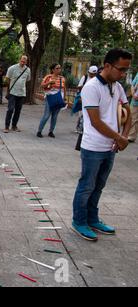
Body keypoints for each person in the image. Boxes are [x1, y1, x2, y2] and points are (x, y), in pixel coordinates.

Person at [71, 48, 132, 242]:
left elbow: (128, 112)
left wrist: (123, 136)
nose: (123, 74)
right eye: (121, 69)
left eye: (126, 71)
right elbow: (96, 121)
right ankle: (79, 221)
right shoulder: (91, 87)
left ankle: (92, 218)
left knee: (99, 186)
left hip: (110, 147)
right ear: (107, 65)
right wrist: (119, 138)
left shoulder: (118, 86)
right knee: (87, 185)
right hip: (93, 147)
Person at [37, 63, 67, 138]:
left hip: (59, 98)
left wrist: (65, 98)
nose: (59, 69)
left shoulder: (62, 78)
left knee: (55, 116)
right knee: (46, 115)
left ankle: (51, 131)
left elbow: (64, 88)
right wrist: (49, 82)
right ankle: (39, 131)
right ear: (53, 70)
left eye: (59, 68)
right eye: (57, 68)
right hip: (50, 98)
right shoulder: (48, 77)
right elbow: (42, 85)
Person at [4, 55, 31, 133]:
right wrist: (8, 90)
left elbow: (27, 80)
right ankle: (6, 126)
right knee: (10, 109)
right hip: (12, 92)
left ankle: (14, 126)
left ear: (26, 62)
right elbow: (7, 79)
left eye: (24, 62)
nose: (23, 63)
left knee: (18, 110)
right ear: (19, 60)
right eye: (22, 61)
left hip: (22, 93)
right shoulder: (12, 68)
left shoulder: (28, 70)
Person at [74, 66, 98, 134]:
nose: (92, 75)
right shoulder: (85, 77)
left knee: (88, 114)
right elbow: (79, 86)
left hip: (92, 99)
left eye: (94, 74)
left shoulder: (97, 79)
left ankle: (84, 128)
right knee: (81, 114)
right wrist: (86, 87)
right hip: (83, 97)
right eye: (91, 74)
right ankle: (79, 127)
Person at [128, 72, 138, 142]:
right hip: (135, 100)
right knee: (132, 118)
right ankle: (131, 136)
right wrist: (133, 94)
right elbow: (132, 84)